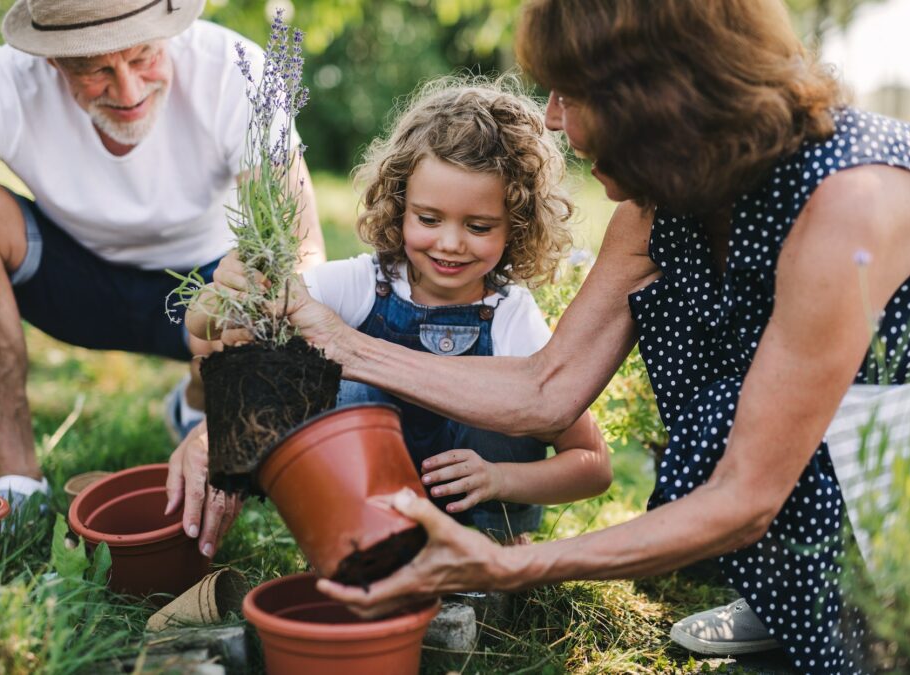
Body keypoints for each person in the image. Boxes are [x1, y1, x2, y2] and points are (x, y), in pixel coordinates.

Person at [255, 1, 910, 673]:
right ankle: (799, 604)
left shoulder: (847, 206)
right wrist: (339, 343)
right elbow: (549, 387)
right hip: (838, 425)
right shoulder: (667, 191)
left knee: (905, 650)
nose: (550, 119)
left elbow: (745, 494)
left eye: (570, 93)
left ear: (657, 98)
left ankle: (888, 609)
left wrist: (506, 564)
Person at [0, 0, 325, 559]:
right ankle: (21, 482)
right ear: (52, 60)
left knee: (257, 288)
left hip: (203, 293)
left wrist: (228, 422)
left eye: (143, 56)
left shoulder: (233, 71)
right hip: (75, 283)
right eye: (95, 70)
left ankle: (198, 404)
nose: (127, 91)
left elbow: (302, 258)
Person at [191, 79, 612, 541]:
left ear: (517, 225)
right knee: (346, 392)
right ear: (399, 207)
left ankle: (497, 551)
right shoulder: (361, 285)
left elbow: (592, 466)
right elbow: (208, 322)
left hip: (474, 527)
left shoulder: (511, 315)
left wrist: (502, 479)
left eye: (478, 226)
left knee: (510, 401)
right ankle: (354, 544)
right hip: (370, 521)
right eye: (428, 219)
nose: (450, 243)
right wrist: (225, 291)